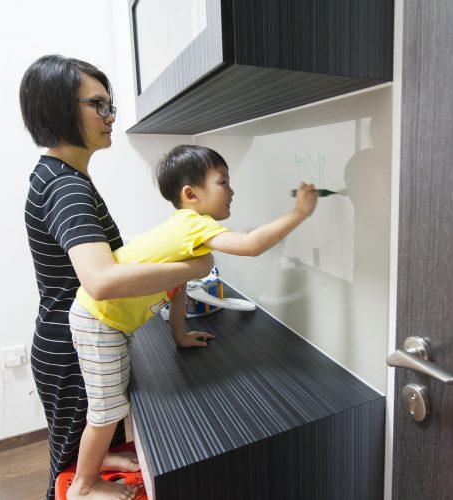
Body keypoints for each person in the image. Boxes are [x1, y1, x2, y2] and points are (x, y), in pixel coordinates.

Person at [67, 144, 318, 498]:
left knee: (110, 404)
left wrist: (180, 334)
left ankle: (99, 458)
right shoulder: (194, 225)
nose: (232, 191)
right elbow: (250, 245)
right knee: (108, 409)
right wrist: (299, 212)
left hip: (106, 320)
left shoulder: (184, 229)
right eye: (224, 182)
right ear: (191, 194)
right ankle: (84, 484)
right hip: (99, 321)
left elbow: (177, 289)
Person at [21, 56, 215, 500]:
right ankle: (86, 488)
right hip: (74, 346)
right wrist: (194, 267)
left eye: (111, 106)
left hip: (71, 336)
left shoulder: (60, 176)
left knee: (87, 434)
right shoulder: (66, 186)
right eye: (99, 105)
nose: (110, 117)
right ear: (58, 108)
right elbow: (102, 280)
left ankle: (100, 461)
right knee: (68, 473)